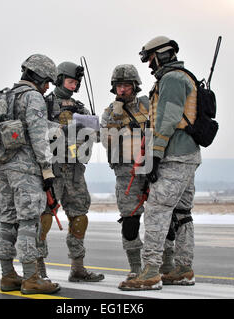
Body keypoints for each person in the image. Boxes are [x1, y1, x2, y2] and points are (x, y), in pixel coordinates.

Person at [119, 36, 201, 291]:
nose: (148, 65)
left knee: (156, 209)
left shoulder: (172, 79)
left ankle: (151, 272)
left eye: (149, 58)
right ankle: (183, 269)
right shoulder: (181, 77)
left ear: (161, 55)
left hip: (175, 155)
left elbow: (167, 119)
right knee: (182, 214)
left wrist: (154, 155)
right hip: (187, 155)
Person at [0, 54, 62, 295]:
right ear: (39, 76)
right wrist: (47, 169)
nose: (47, 88)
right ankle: (32, 278)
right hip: (26, 171)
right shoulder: (33, 98)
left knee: (6, 221)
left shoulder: (5, 96)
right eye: (47, 82)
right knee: (28, 222)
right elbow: (38, 136)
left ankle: (8, 276)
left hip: (3, 169)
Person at [38, 61, 104, 283]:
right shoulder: (44, 105)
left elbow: (97, 135)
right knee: (45, 217)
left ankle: (78, 268)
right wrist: (61, 130)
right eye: (70, 81)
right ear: (58, 79)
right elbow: (36, 128)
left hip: (75, 169)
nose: (74, 86)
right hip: (51, 169)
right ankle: (38, 269)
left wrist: (94, 127)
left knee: (79, 217)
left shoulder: (79, 107)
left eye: (76, 83)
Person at [100, 64, 150, 284]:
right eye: (119, 86)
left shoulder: (148, 105)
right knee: (130, 223)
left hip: (150, 169)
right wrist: (117, 116)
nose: (122, 90)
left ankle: (165, 265)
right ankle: (135, 268)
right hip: (125, 173)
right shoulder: (110, 112)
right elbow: (105, 141)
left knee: (164, 220)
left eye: (126, 85)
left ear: (135, 86)